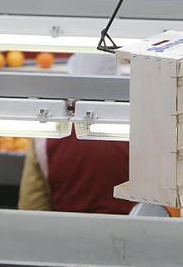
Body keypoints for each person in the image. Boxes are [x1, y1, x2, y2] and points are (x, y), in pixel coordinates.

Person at [17, 54, 134, 214]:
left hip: (66, 234)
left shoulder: (48, 135)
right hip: (131, 234)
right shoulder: (137, 132)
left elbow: (31, 208)